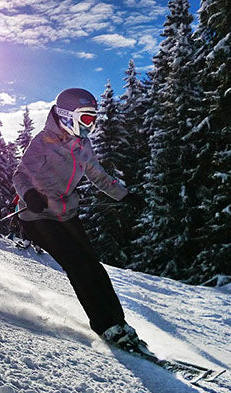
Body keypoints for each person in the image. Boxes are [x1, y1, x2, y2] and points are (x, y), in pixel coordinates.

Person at [13, 87, 145, 350]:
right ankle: (105, 326)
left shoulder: (83, 145)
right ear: (66, 115)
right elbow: (20, 175)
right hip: (38, 215)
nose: (91, 125)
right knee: (78, 266)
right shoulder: (42, 142)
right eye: (86, 118)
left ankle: (120, 323)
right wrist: (29, 194)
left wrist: (124, 195)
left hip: (65, 213)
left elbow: (98, 175)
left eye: (93, 119)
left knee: (94, 266)